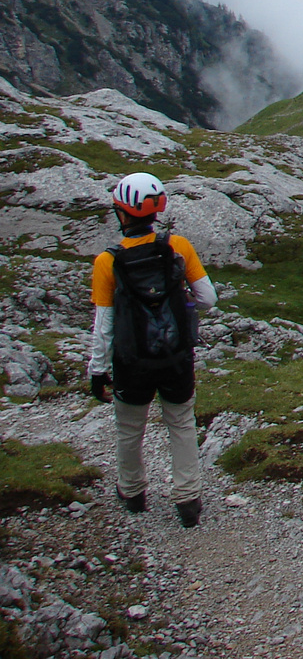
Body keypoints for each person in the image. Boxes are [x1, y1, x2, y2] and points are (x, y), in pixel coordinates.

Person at [87, 172, 216, 527]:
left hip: (132, 361)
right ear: (158, 209)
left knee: (129, 427)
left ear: (123, 214)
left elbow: (104, 326)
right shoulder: (179, 247)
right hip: (176, 356)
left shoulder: (107, 262)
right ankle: (188, 499)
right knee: (181, 422)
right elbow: (208, 298)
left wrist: (98, 371)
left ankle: (132, 492)